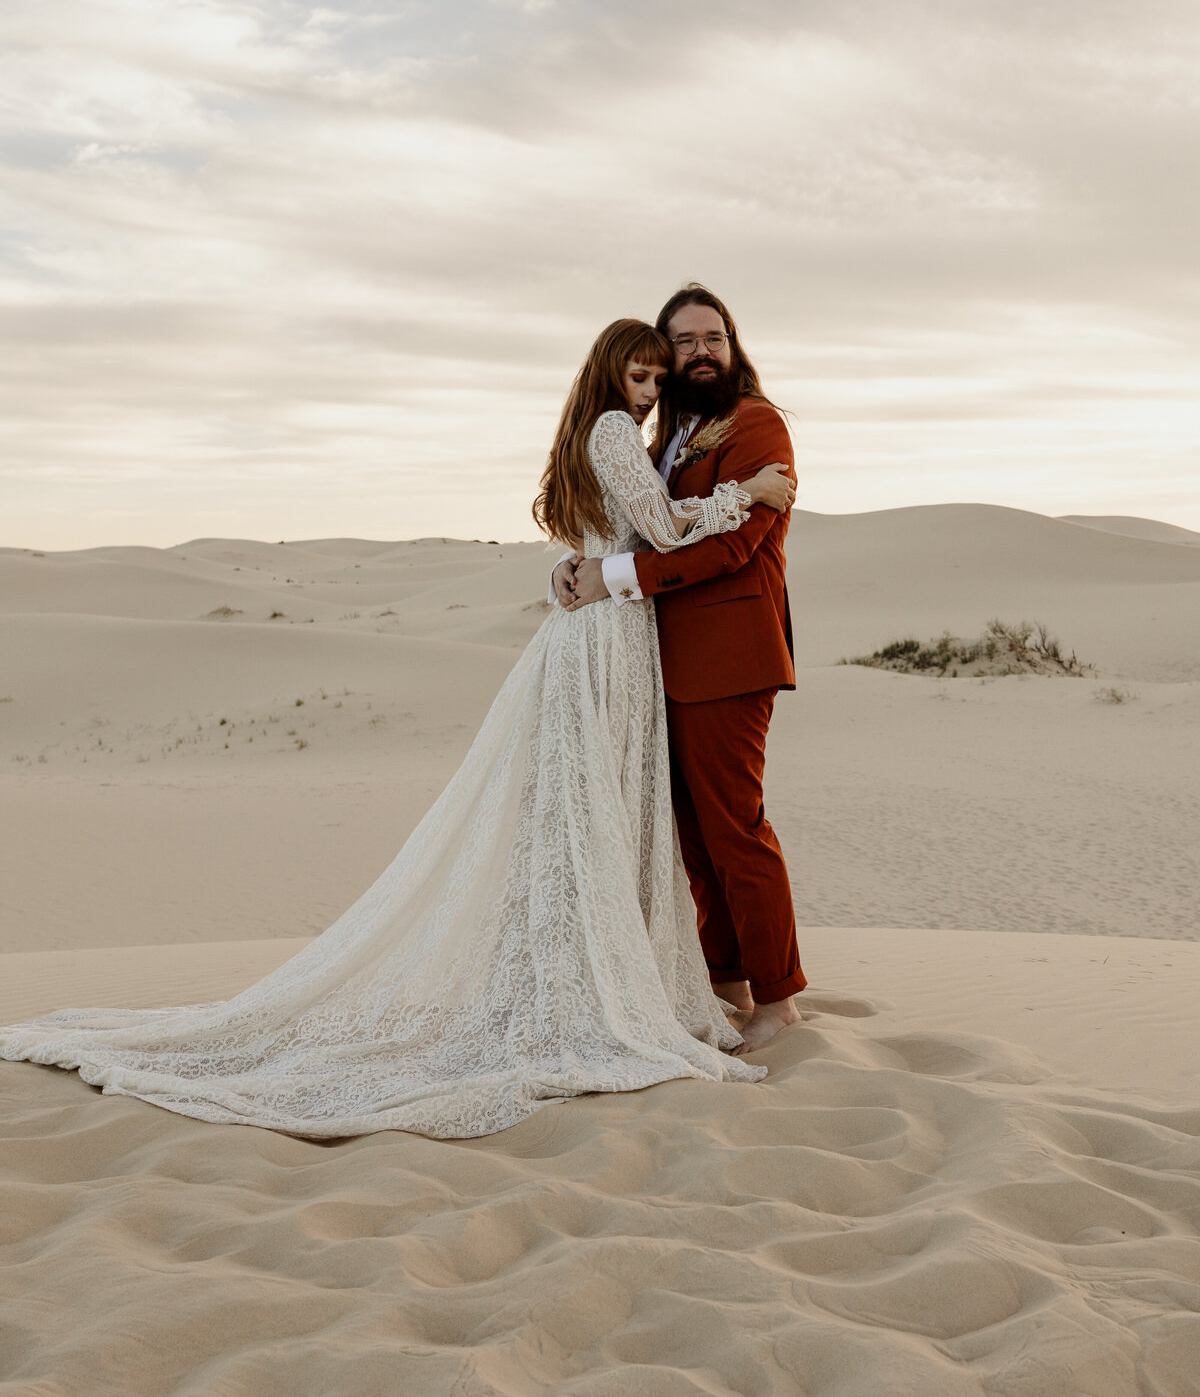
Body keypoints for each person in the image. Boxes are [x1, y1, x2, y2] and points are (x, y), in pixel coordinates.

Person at [0, 319, 795, 1140]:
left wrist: (583, 564)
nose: (654, 388)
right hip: (608, 641)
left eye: (659, 377)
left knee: (602, 817)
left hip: (612, 638)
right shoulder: (626, 433)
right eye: (643, 374)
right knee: (601, 818)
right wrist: (741, 496)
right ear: (612, 374)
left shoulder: (623, 431)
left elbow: (605, 529)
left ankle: (656, 981)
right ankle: (608, 990)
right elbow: (662, 532)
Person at [556, 285, 805, 1052]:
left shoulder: (758, 425)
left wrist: (614, 578)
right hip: (661, 661)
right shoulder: (664, 431)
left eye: (713, 339)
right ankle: (724, 975)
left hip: (728, 660)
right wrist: (582, 564)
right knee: (693, 835)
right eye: (683, 343)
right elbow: (635, 520)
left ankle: (777, 1001)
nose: (699, 354)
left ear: (734, 346)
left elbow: (731, 547)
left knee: (736, 828)